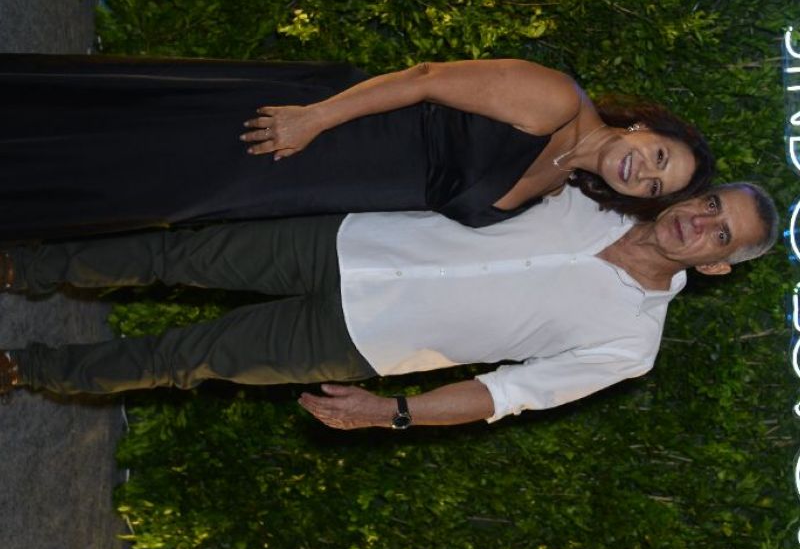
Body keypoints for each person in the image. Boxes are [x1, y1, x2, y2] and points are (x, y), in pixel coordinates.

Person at [0, 182, 777, 428]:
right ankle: (22, 266)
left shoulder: (630, 344)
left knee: (183, 359)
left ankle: (27, 368)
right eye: (711, 203)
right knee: (175, 255)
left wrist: (393, 412)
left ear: (717, 266)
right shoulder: (596, 192)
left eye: (721, 234)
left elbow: (508, 393)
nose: (699, 222)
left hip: (357, 339)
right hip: (349, 238)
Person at [0, 54, 713, 241]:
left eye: (655, 186)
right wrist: (315, 118)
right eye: (659, 156)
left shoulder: (553, 186)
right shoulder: (556, 100)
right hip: (325, 129)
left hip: (308, 184)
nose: (644, 173)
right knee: (148, 150)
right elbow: (423, 79)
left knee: (156, 190)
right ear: (645, 128)